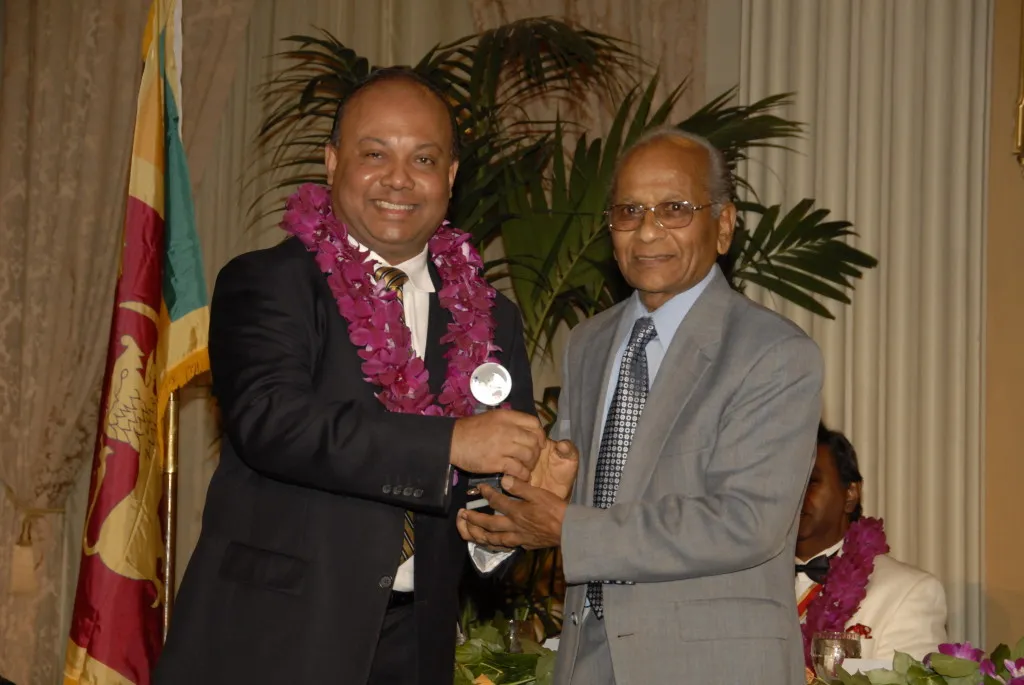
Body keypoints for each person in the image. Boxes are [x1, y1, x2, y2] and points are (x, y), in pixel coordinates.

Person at [155, 68, 552, 685]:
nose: (399, 178)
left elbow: (484, 495)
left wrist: (520, 506)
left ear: (450, 177)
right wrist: (449, 443)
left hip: (415, 646)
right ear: (333, 160)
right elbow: (272, 422)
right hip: (274, 639)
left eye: (424, 159)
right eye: (375, 154)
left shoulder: (492, 315)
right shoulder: (268, 282)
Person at [457, 127, 824, 684]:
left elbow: (746, 522)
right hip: (586, 657)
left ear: (724, 225)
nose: (648, 230)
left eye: (675, 209)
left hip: (711, 667)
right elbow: (580, 494)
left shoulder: (772, 352)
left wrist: (571, 528)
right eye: (629, 211)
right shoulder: (588, 343)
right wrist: (528, 503)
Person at [797, 422, 947, 662]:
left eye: (810, 481)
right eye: (783, 485)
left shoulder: (907, 592)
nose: (793, 494)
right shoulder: (747, 585)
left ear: (851, 493)